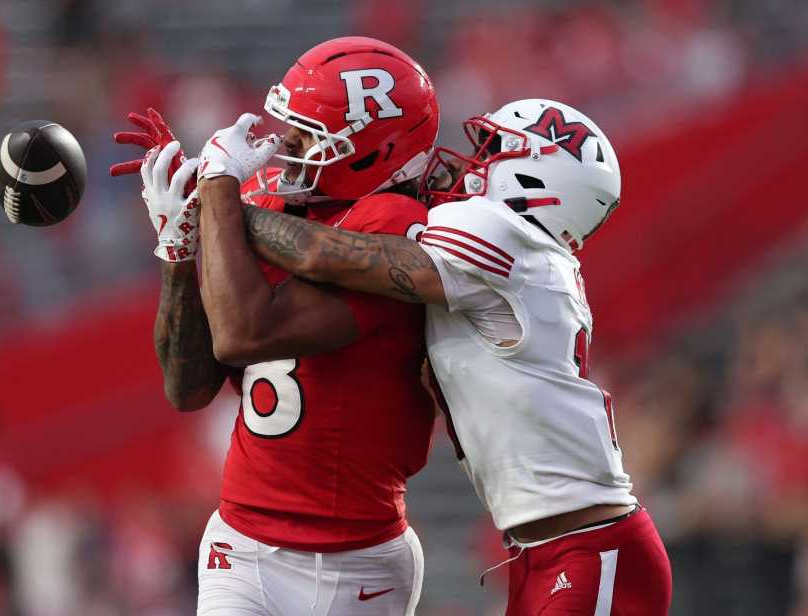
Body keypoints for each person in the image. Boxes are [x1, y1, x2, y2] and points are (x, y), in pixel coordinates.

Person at [199, 99, 673, 615]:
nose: (471, 164)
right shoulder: (533, 261)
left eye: (493, 151)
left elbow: (325, 255)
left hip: (588, 549)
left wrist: (219, 199)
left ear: (540, 180)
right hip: (553, 549)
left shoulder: (503, 235)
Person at [112, 37, 440, 616]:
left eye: (307, 132)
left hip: (359, 558)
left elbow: (246, 333)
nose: (286, 143)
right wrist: (178, 248)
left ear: (373, 150)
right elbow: (188, 388)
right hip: (242, 545)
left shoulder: (395, 222)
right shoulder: (267, 205)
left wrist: (217, 193)